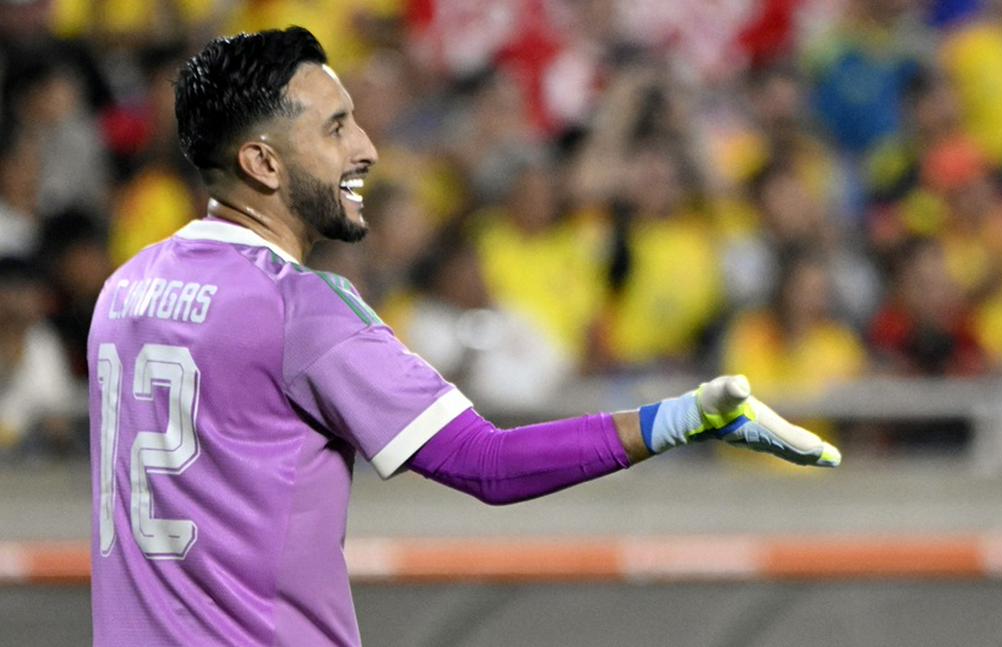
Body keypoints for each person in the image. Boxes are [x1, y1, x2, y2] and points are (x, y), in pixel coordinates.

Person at [87, 27, 840, 646]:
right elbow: (486, 463)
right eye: (336, 128)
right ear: (262, 162)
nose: (367, 148)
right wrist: (683, 418)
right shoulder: (301, 308)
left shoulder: (123, 291)